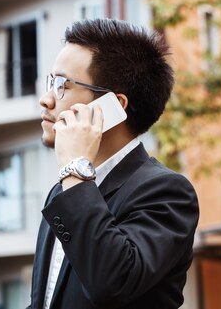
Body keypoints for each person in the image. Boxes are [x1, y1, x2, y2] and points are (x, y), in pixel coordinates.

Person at [28, 18, 199, 309]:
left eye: (62, 86)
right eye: (50, 83)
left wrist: (75, 168)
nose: (46, 100)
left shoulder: (166, 192)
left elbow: (112, 283)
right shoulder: (63, 192)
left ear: (112, 107)